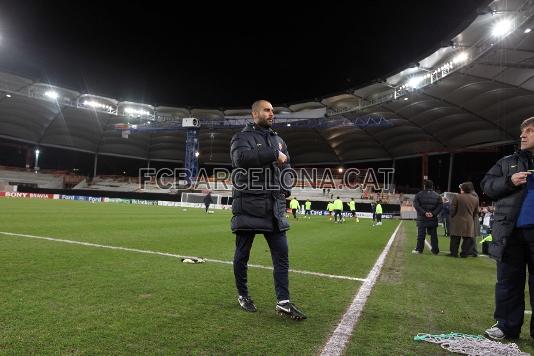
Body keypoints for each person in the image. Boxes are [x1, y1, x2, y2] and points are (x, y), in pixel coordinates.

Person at [230, 100, 306, 320]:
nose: (272, 113)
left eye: (273, 110)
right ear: (255, 113)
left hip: (273, 207)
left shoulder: (278, 139)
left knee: (282, 255)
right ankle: (243, 295)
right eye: (267, 110)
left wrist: (285, 190)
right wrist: (273, 154)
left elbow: (287, 167)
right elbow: (240, 160)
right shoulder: (241, 138)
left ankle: (283, 302)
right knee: (242, 255)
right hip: (249, 205)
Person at [481, 117, 534, 340]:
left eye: (530, 131)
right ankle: (506, 327)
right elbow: (486, 186)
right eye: (522, 131)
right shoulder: (507, 162)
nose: (522, 135)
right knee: (508, 282)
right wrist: (509, 181)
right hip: (510, 233)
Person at [448, 182, 479, 258]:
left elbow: (452, 209)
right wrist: (471, 218)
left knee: (455, 238)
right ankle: (464, 254)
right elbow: (476, 212)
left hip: (457, 220)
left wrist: (452, 216)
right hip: (469, 221)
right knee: (467, 238)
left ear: (463, 189)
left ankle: (454, 253)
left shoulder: (458, 197)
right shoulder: (475, 199)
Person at [412, 180, 443, 255]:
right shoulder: (437, 195)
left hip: (422, 218)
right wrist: (433, 213)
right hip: (432, 218)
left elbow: (416, 205)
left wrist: (424, 213)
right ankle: (435, 251)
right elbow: (440, 206)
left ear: (425, 186)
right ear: (432, 186)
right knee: (433, 235)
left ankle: (419, 250)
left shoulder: (419, 194)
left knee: (421, 234)